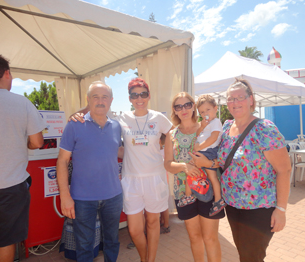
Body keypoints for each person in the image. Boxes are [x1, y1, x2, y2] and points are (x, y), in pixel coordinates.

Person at [70, 78, 172, 262]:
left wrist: (168, 155)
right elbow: (98, 111)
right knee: (134, 230)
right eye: (134, 95)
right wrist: (77, 114)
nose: (139, 98)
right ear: (129, 98)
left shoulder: (159, 118)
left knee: (152, 222)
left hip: (154, 178)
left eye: (143, 94)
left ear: (148, 96)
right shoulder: (121, 119)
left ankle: (150, 260)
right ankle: (143, 257)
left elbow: (174, 133)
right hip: (131, 179)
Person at [190, 79, 291, 262]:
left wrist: (281, 209)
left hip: (259, 208)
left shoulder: (265, 129)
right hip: (233, 206)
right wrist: (206, 161)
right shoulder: (227, 127)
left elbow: (284, 170)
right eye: (231, 99)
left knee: (252, 256)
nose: (235, 103)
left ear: (251, 100)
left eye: (240, 98)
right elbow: (222, 164)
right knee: (244, 254)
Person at [56, 81, 123, 262]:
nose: (100, 101)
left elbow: (120, 151)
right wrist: (65, 195)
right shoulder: (74, 125)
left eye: (104, 97)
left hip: (113, 196)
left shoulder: (117, 127)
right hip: (83, 199)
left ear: (111, 101)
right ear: (88, 100)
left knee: (112, 241)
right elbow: (62, 161)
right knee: (84, 246)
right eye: (95, 97)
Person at [164, 92, 224, 262]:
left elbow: (221, 158)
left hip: (209, 190)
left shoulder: (208, 127)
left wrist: (208, 163)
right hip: (184, 192)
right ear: (174, 110)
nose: (183, 109)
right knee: (195, 237)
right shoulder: (171, 134)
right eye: (178, 106)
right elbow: (168, 164)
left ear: (193, 107)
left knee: (210, 238)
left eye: (187, 104)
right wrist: (184, 167)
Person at [0, 55, 45, 262]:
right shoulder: (21, 103)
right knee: (6, 242)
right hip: (10, 186)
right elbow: (37, 142)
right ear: (6, 73)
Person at [178, 94, 226, 217]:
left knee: (212, 176)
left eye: (208, 110)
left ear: (215, 108)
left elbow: (214, 137)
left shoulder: (216, 122)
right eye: (202, 112)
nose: (205, 114)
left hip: (209, 152)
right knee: (192, 170)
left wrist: (200, 146)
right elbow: (198, 133)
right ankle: (188, 196)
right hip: (203, 151)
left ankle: (218, 200)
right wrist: (202, 126)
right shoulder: (206, 123)